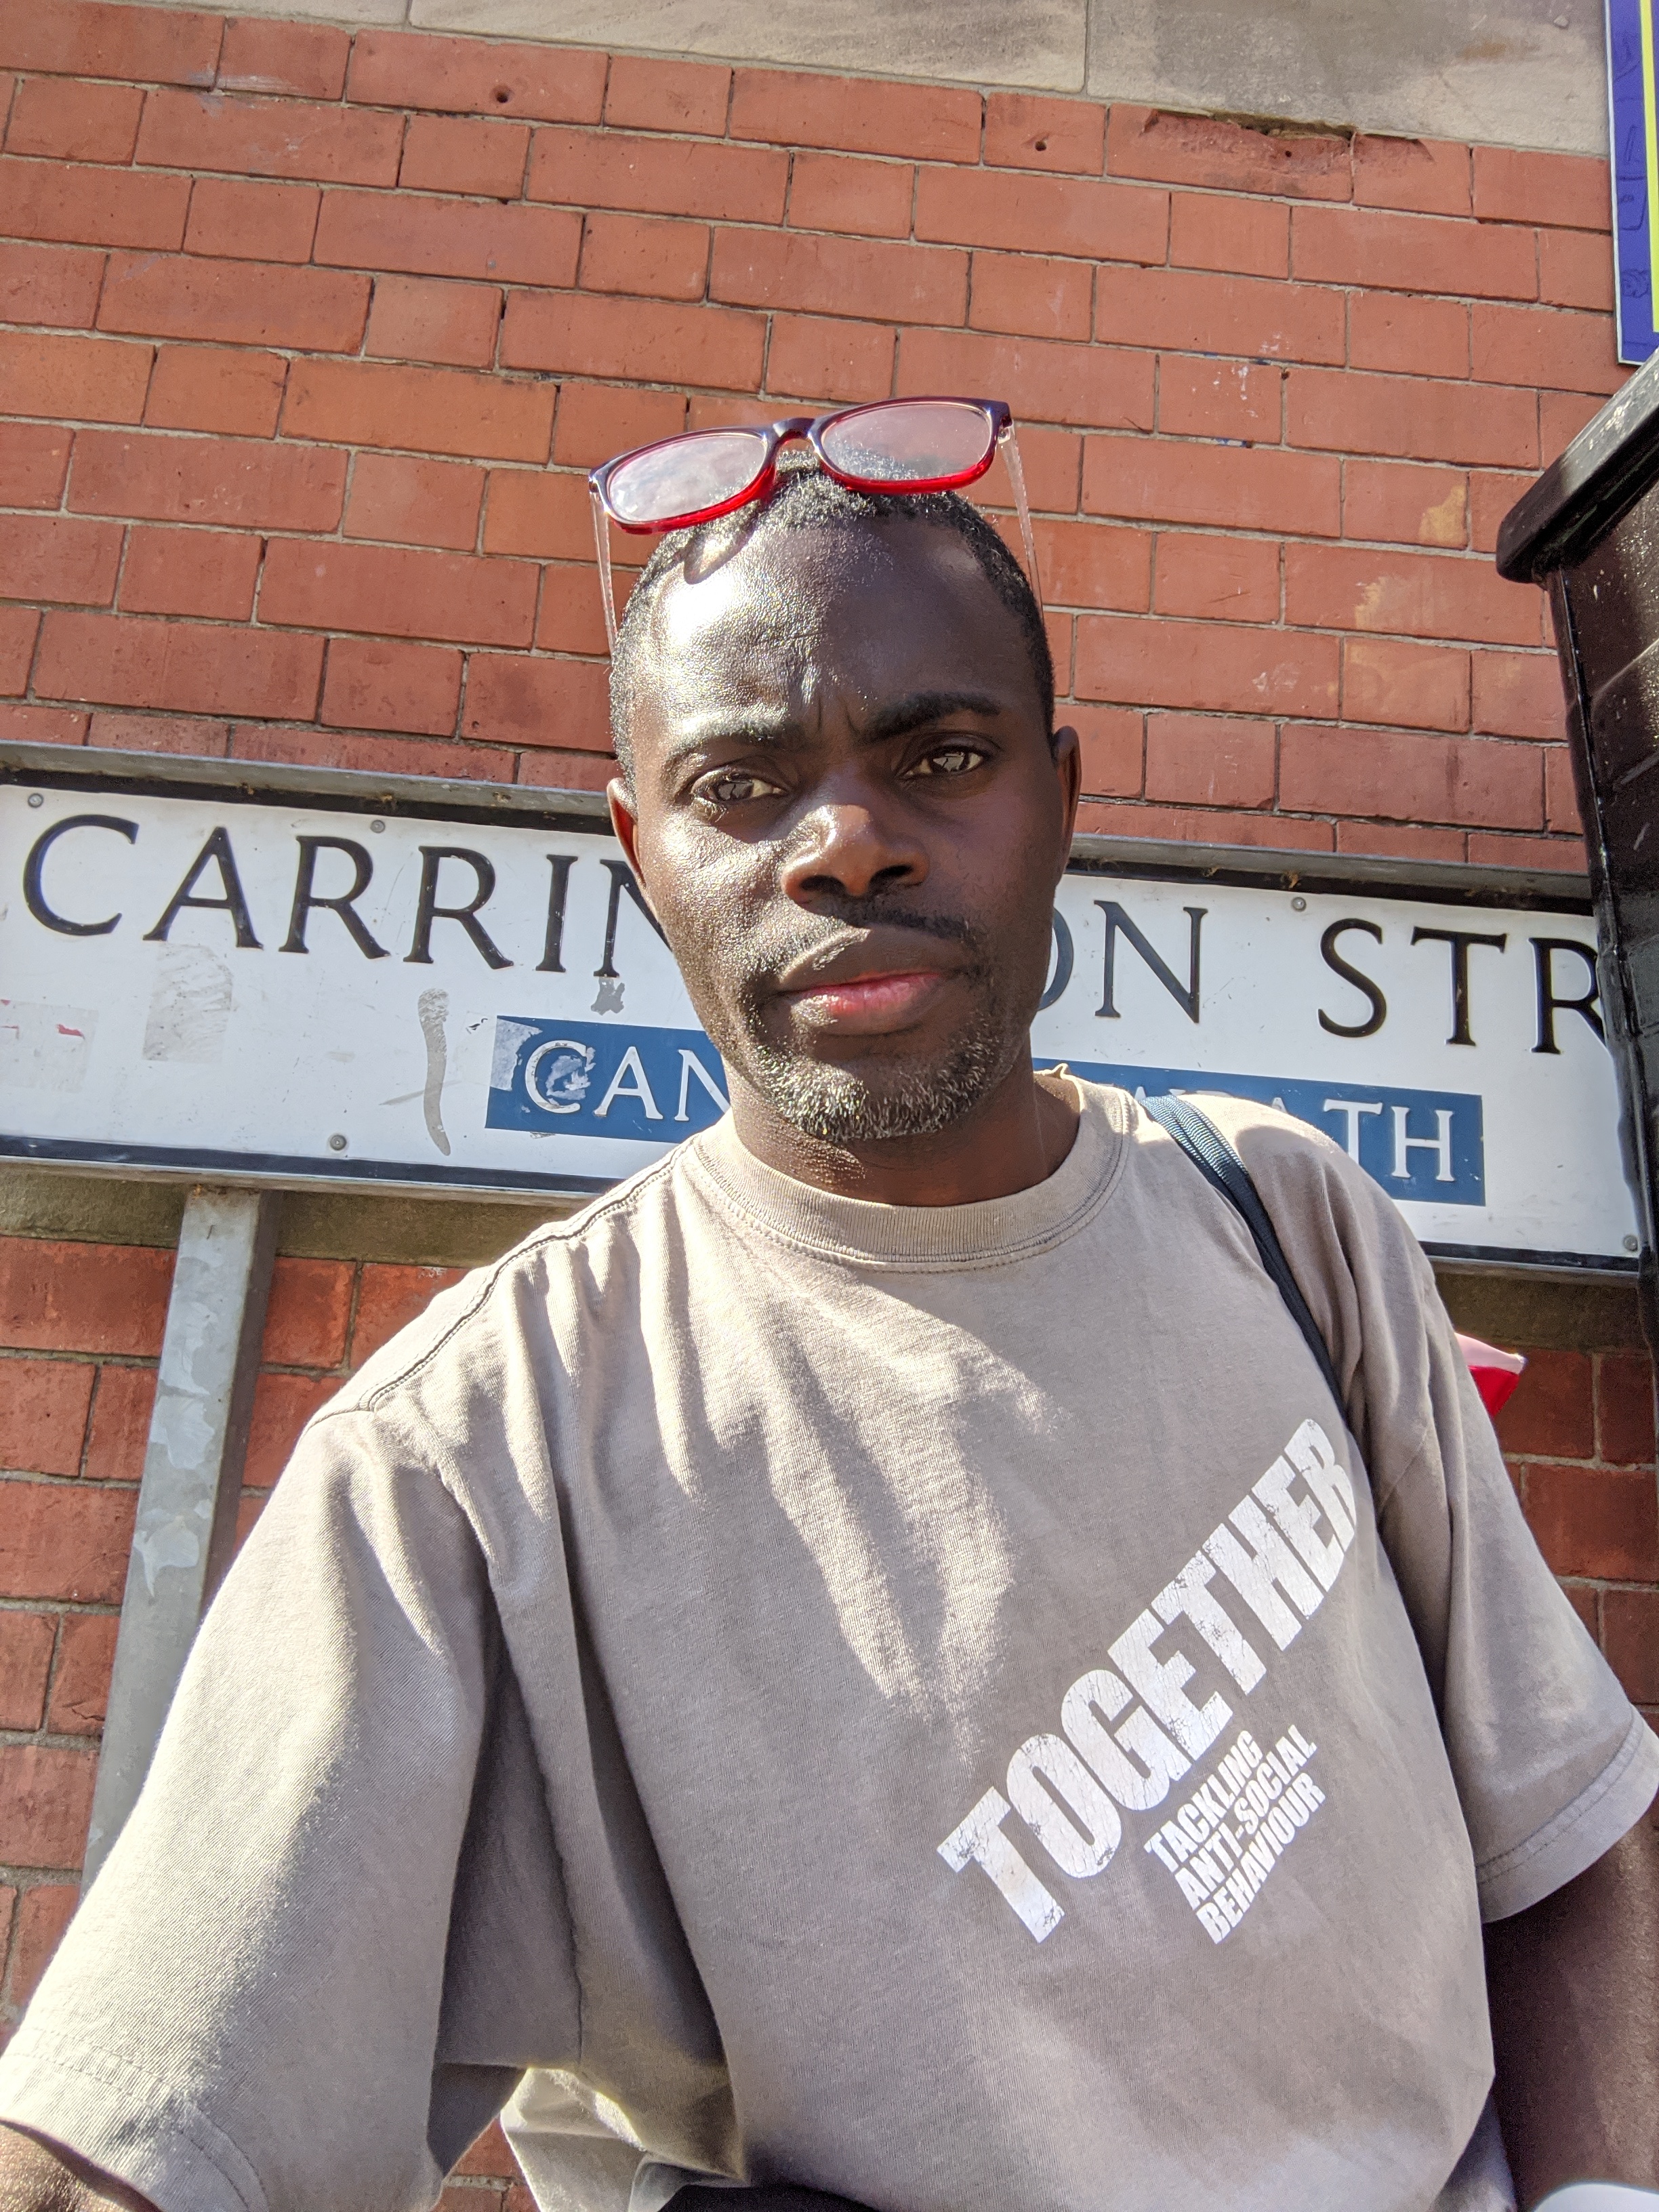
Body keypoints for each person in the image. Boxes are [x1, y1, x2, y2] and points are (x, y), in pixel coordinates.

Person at [0, 424, 1655, 2212]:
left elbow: (1569, 1824)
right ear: (639, 853)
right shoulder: (475, 1461)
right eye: (739, 786)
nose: (849, 846)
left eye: (942, 757)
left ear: (1060, 797)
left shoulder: (1283, 1214)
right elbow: (123, 2150)